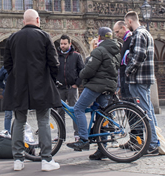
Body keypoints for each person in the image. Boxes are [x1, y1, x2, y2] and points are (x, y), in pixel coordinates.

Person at [4, 9, 61, 172]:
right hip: (41, 84)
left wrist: (16, 76)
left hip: (19, 86)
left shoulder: (12, 38)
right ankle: (46, 159)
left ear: (23, 21)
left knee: (19, 121)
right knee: (43, 121)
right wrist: (52, 78)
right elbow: (54, 62)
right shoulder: (44, 36)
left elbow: (7, 64)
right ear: (37, 20)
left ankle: (18, 160)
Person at [68, 27, 120, 159]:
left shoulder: (99, 50)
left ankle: (83, 140)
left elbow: (89, 70)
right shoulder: (115, 50)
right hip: (108, 86)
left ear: (100, 37)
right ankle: (102, 149)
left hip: (97, 85)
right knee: (103, 114)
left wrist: (81, 75)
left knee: (78, 108)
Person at [124, 11, 160, 154]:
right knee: (148, 110)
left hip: (138, 79)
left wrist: (128, 70)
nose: (127, 26)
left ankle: (152, 145)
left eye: (126, 23)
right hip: (145, 78)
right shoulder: (147, 33)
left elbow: (139, 55)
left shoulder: (138, 34)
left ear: (130, 21)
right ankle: (155, 141)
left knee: (144, 113)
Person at [56, 34, 84, 140]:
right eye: (61, 44)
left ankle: (77, 134)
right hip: (60, 88)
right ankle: (61, 135)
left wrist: (77, 83)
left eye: (65, 44)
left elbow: (82, 70)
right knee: (60, 112)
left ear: (70, 44)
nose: (62, 46)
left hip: (72, 87)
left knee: (74, 111)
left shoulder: (76, 56)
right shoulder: (56, 56)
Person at [113, 21, 131, 99]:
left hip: (127, 76)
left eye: (117, 32)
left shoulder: (131, 39)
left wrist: (128, 72)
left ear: (123, 28)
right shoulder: (126, 40)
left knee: (129, 99)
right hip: (123, 75)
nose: (117, 34)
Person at [0, 66, 12, 133]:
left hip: (19, 93)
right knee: (8, 114)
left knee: (20, 116)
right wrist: (5, 87)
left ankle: (19, 133)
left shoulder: (21, 64)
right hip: (8, 93)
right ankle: (7, 131)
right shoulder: (5, 67)